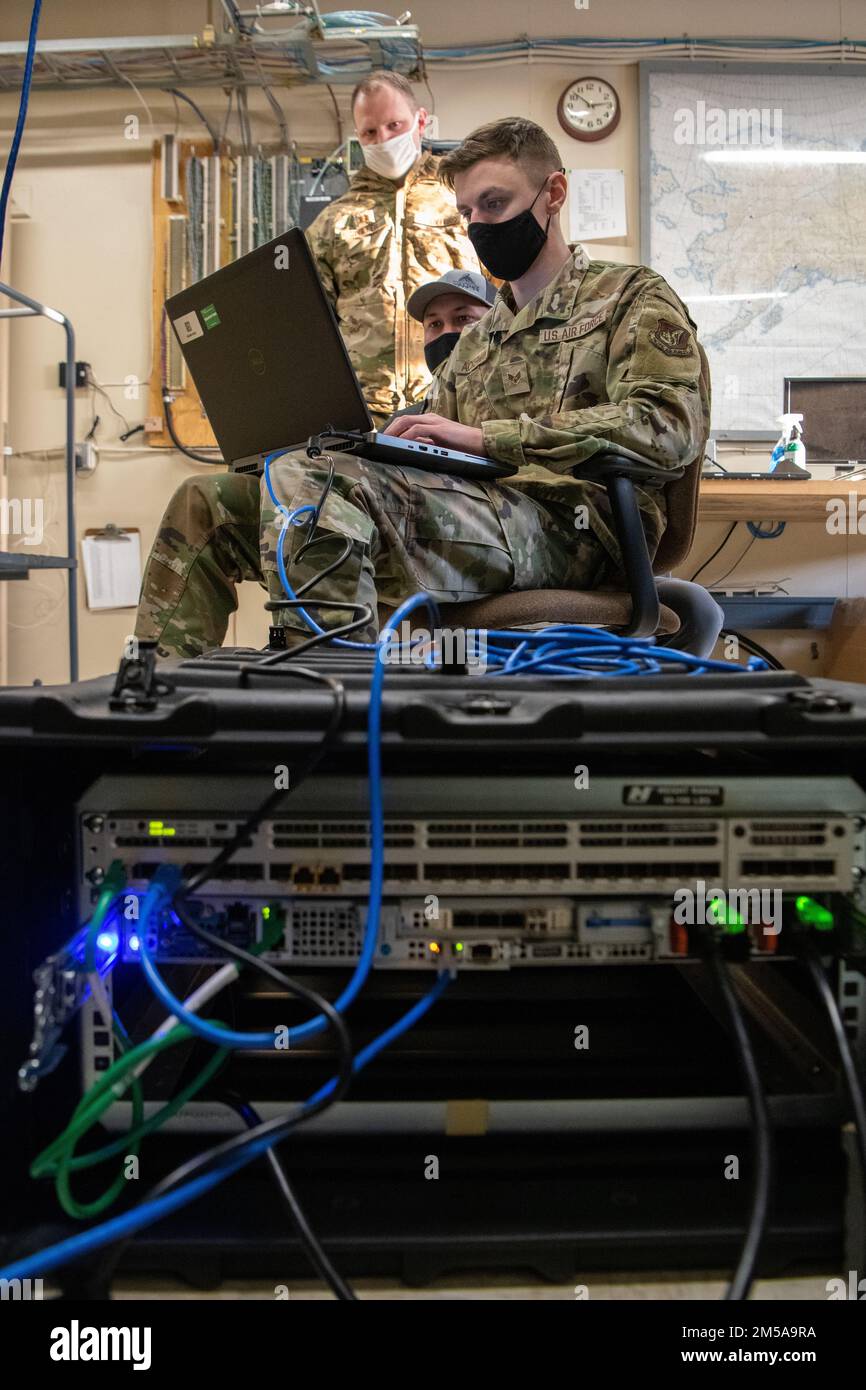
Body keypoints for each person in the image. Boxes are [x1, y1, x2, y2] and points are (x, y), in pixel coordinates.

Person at [258, 117, 710, 647]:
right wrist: (362, 443)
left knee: (317, 487)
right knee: (222, 496)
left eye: (494, 205)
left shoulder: (630, 296)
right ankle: (152, 701)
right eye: (468, 213)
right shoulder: (477, 340)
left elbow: (668, 427)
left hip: (582, 527)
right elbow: (426, 444)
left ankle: (338, 701)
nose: (479, 226)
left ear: (554, 193)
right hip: (479, 520)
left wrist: (491, 437)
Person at [134, 272, 495, 658]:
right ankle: (158, 679)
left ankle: (325, 684)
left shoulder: (504, 395)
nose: (446, 334)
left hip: (470, 528)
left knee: (320, 489)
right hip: (388, 521)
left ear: (496, 323)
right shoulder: (406, 418)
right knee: (204, 497)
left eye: (464, 320)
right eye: (434, 324)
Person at [307, 70, 481, 422]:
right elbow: (311, 326)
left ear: (420, 121)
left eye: (394, 126)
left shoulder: (462, 199)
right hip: (364, 410)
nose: (383, 139)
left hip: (458, 401)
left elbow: (507, 294)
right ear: (358, 136)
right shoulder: (333, 222)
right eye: (370, 132)